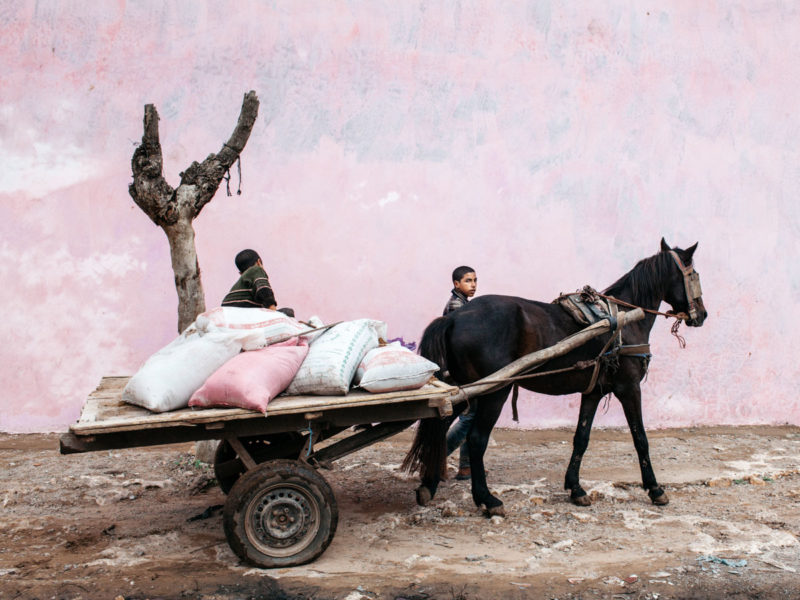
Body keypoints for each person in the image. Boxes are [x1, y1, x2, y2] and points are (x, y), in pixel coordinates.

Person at [443, 265, 477, 479]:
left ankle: (466, 467)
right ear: (456, 284)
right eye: (468, 281)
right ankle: (439, 456)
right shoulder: (458, 306)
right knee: (469, 416)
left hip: (463, 368)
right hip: (458, 370)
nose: (473, 285)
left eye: (474, 281)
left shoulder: (464, 303)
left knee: (471, 415)